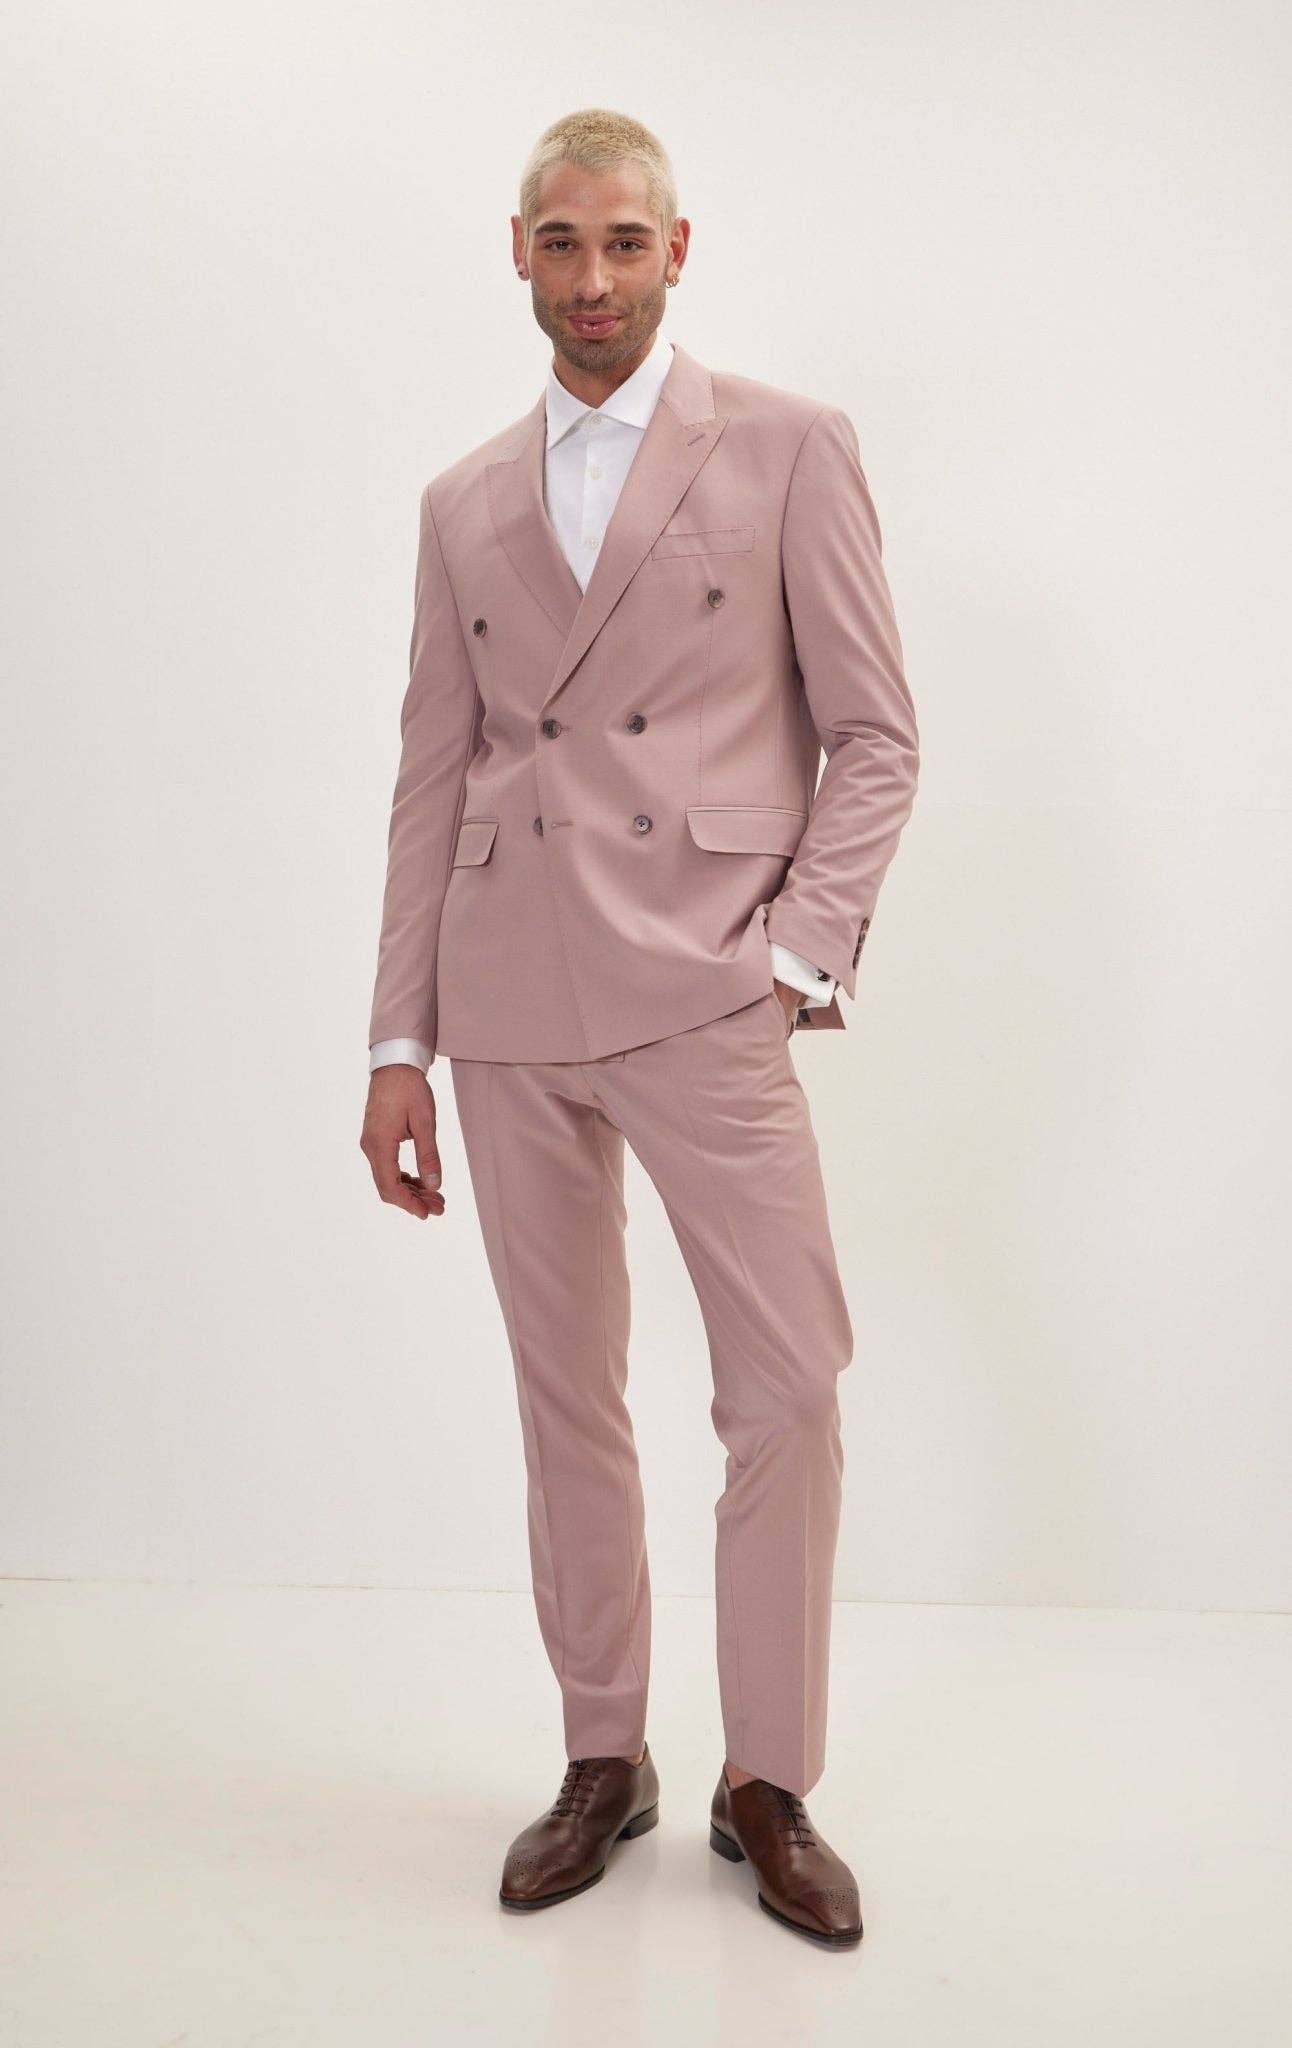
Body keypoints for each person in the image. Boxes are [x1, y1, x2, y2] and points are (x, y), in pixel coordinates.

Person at [359, 107, 919, 1948]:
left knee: (790, 1387)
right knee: (566, 1394)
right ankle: (605, 1754)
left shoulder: (788, 445)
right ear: (516, 254)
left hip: (706, 985)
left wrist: (796, 957)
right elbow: (430, 778)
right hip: (510, 993)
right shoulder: (460, 500)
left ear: (678, 252)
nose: (590, 278)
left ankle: (771, 1781)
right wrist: (398, 1046)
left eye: (622, 243)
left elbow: (875, 732)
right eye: (560, 243)